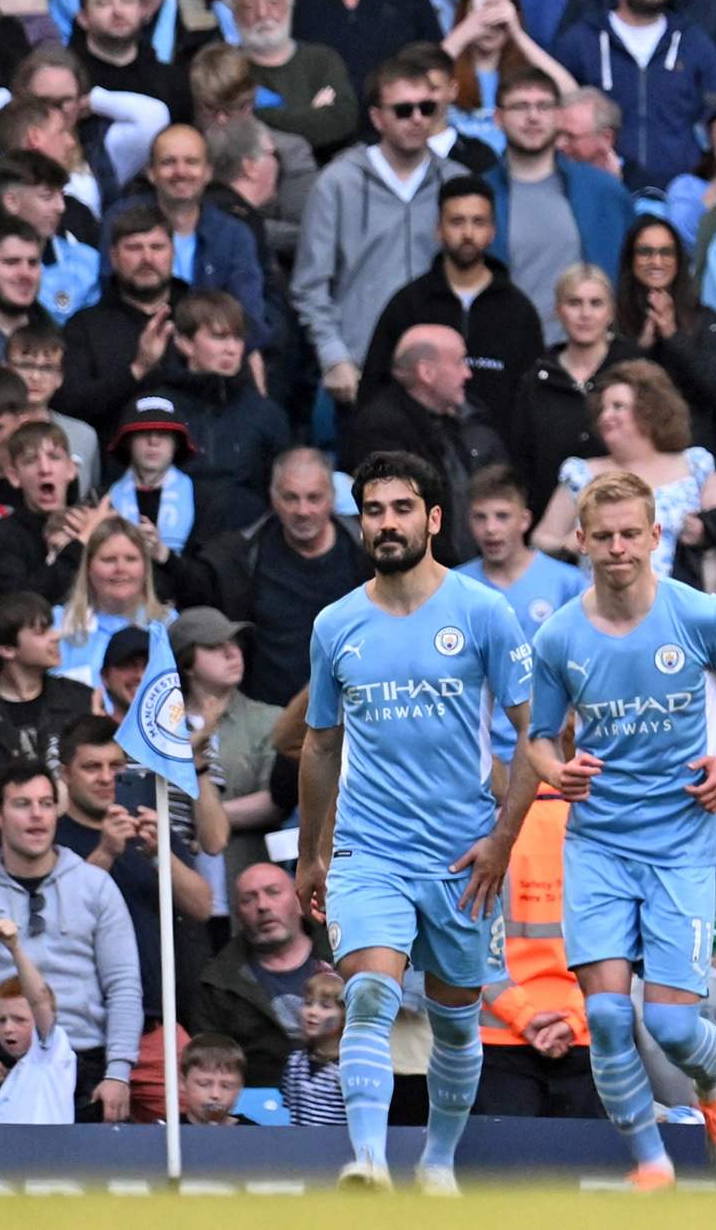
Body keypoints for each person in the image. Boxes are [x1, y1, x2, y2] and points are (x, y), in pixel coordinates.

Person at [518, 469, 716, 1185]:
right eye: (605, 536)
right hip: (597, 842)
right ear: (582, 541)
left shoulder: (697, 614)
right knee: (601, 1018)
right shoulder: (560, 634)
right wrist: (553, 769)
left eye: (632, 534)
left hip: (680, 845)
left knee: (668, 1026)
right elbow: (536, 735)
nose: (619, 547)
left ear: (656, 537)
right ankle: (652, 1165)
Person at [295, 449, 536, 1190]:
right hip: (370, 850)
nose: (387, 523)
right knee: (369, 990)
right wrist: (313, 853)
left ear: (432, 519)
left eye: (402, 509)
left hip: (463, 856)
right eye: (374, 510)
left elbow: (537, 733)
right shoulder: (335, 625)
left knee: (457, 1019)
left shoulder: (482, 612)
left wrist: (501, 841)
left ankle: (436, 1162)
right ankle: (367, 1162)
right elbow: (320, 742)